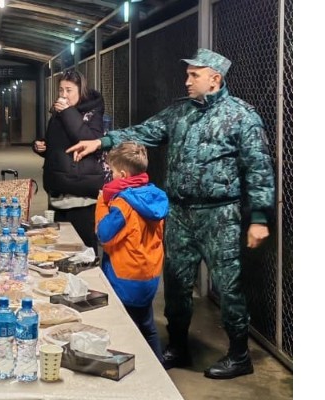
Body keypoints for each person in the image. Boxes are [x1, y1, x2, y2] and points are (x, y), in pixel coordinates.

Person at [67, 48, 275, 379]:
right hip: (179, 213)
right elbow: (144, 132)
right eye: (187, 74)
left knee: (229, 286)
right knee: (177, 284)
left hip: (221, 214)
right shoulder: (179, 112)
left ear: (215, 79)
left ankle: (239, 355)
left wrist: (260, 218)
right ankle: (177, 346)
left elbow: (259, 167)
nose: (187, 81)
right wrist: (102, 142)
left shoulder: (241, 116)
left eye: (194, 75)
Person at [94, 141, 168, 364]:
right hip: (149, 275)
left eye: (113, 172)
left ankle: (130, 372)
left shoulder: (123, 204)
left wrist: (102, 204)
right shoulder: (154, 196)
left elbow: (104, 234)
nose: (111, 176)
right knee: (147, 325)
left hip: (124, 277)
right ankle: (157, 368)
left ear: (123, 175)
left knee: (123, 329)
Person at [32, 69, 106, 253]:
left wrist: (68, 112)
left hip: (81, 196)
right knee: (58, 248)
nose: (63, 95)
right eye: (61, 90)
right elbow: (58, 147)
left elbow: (88, 140)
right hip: (57, 191)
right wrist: (42, 147)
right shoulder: (58, 113)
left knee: (83, 250)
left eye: (69, 90)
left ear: (81, 91)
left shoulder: (92, 113)